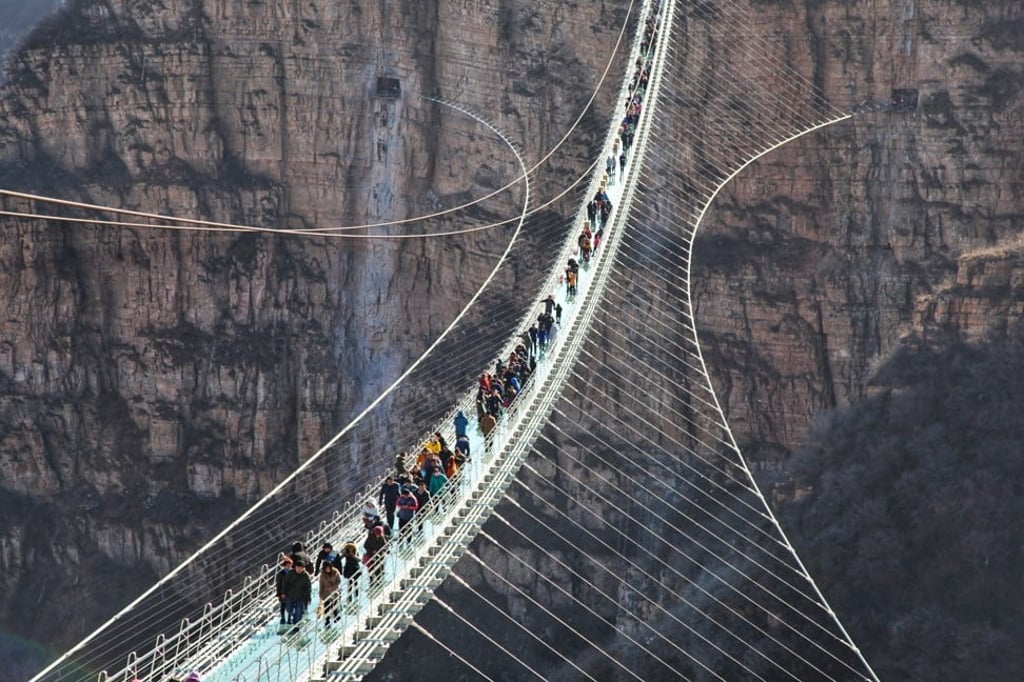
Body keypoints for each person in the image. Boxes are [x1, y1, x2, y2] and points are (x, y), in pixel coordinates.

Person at [280, 560, 311, 626]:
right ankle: (295, 617)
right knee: (288, 608)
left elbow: (308, 588)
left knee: (299, 610)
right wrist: (283, 592)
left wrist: (308, 598)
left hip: (300, 596)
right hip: (290, 595)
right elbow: (285, 583)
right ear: (295, 567)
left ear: (303, 568)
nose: (299, 569)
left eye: (300, 568)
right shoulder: (290, 573)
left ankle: (296, 624)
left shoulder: (306, 576)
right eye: (297, 568)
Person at [318, 561, 341, 627]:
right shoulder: (322, 575)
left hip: (334, 591)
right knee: (327, 606)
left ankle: (336, 616)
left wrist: (333, 587)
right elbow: (321, 584)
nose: (328, 569)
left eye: (329, 568)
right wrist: (321, 593)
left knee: (334, 604)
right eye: (326, 568)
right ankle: (327, 620)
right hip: (326, 592)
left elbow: (339, 581)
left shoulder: (335, 572)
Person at [275, 555, 293, 625]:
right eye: (288, 565)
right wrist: (279, 593)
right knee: (283, 605)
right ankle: (283, 618)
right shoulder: (281, 574)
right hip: (283, 592)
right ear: (285, 565)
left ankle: (289, 618)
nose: (289, 566)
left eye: (290, 565)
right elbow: (278, 584)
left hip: (291, 592)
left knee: (290, 605)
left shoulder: (292, 573)